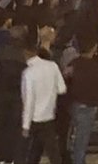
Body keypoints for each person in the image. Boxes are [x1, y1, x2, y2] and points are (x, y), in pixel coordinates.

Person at [21, 32, 67, 164]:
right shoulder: (52, 66)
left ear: (25, 53)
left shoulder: (28, 73)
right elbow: (62, 89)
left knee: (31, 152)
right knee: (52, 152)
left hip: (34, 118)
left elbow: (29, 101)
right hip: (49, 116)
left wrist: (25, 125)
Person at [66, 40, 98, 164]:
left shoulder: (73, 63)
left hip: (74, 104)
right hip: (88, 105)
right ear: (93, 48)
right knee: (82, 139)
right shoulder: (95, 66)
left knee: (76, 136)